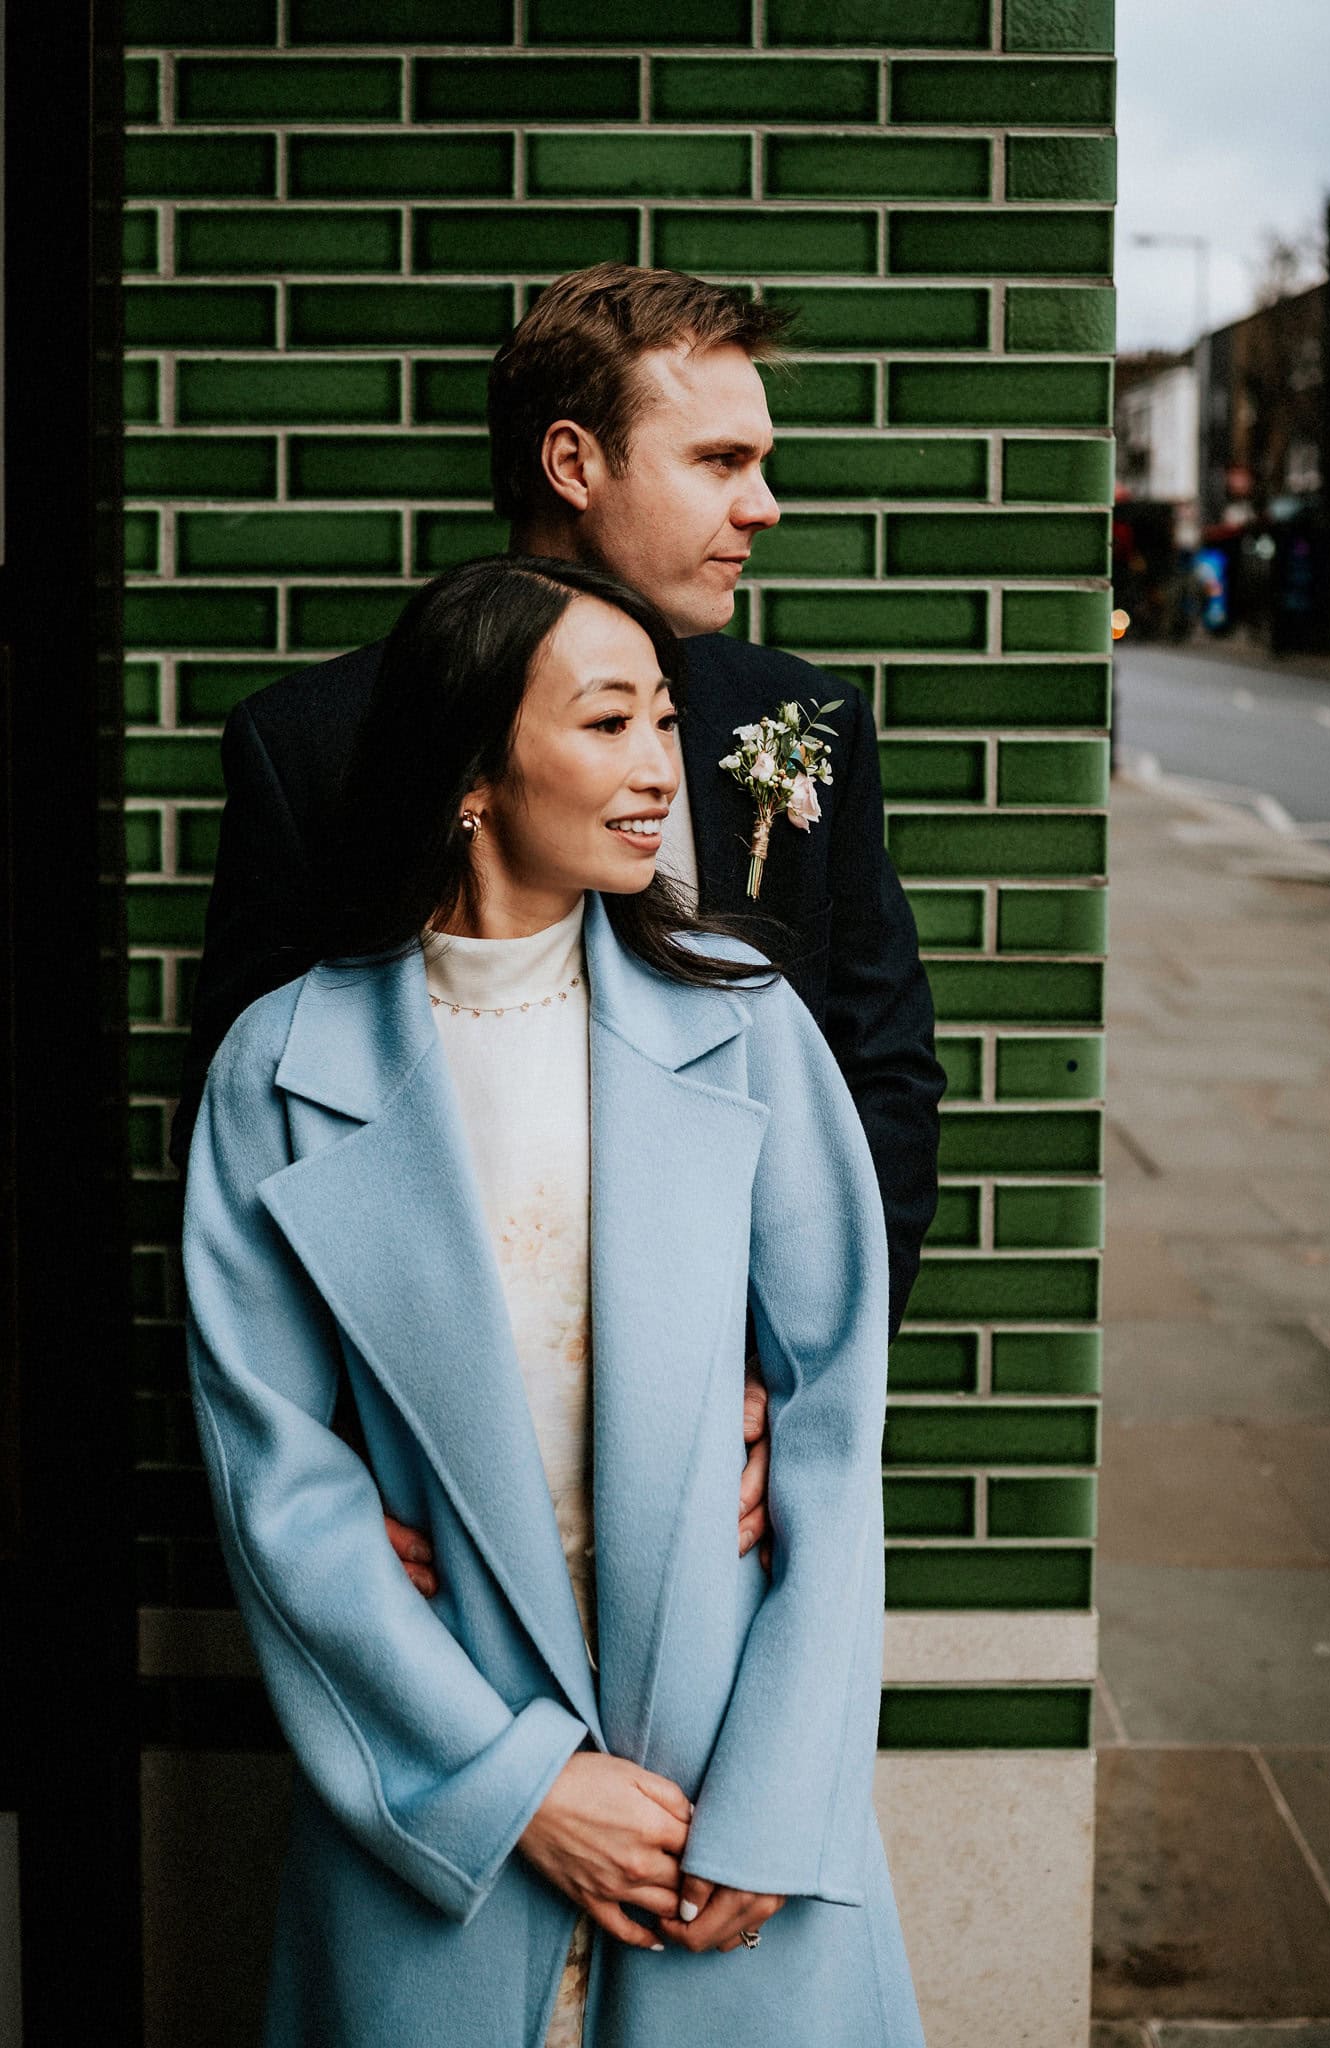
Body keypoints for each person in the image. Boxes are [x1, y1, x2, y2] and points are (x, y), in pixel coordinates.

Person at [183, 554, 926, 2047]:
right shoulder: (278, 1070)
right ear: (470, 768)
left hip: (723, 1781)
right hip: (437, 1789)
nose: (658, 768)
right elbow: (281, 1488)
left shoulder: (745, 1025)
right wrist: (514, 1786)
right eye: (606, 725)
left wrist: (778, 1804)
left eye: (663, 720)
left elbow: (837, 1431)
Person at [174, 261, 944, 1595]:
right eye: (717, 460)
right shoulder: (312, 748)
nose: (760, 506)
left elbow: (875, 1071)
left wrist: (796, 1402)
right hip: (444, 1499)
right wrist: (339, 1475)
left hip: (731, 1495)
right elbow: (258, 1143)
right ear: (574, 462)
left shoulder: (802, 720)